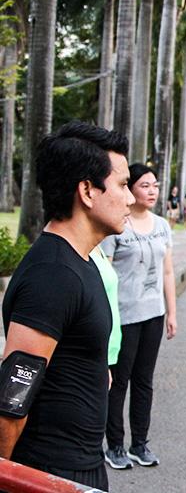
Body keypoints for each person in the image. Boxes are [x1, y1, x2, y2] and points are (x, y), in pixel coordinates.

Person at [0, 121, 134, 490]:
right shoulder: (53, 275)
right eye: (122, 185)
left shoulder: (83, 260)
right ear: (87, 190)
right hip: (50, 472)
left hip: (83, 464)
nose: (131, 198)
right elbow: (13, 395)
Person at [100, 164, 178, 470]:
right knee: (119, 383)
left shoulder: (161, 225)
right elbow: (105, 272)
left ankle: (139, 444)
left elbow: (168, 271)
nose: (152, 191)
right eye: (145, 185)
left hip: (153, 315)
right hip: (124, 316)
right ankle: (115, 446)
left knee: (144, 382)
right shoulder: (118, 225)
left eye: (155, 186)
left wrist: (172, 311)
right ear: (130, 189)